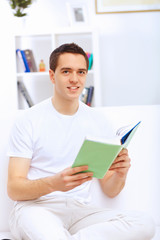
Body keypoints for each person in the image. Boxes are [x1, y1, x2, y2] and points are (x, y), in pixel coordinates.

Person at [7, 43, 155, 240]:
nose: (75, 79)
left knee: (145, 224)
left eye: (81, 72)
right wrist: (54, 183)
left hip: (81, 212)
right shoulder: (28, 120)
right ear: (52, 76)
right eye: (66, 71)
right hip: (36, 208)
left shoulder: (99, 121)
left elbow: (110, 190)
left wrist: (121, 173)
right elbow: (14, 189)